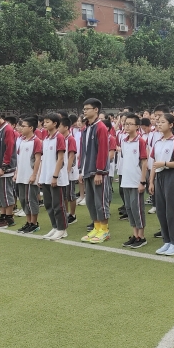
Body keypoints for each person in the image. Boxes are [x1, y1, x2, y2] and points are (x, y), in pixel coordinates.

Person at [149, 113, 174, 256]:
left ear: (171, 125)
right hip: (159, 177)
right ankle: (167, 240)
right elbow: (154, 163)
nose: (159, 124)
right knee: (161, 211)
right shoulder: (158, 142)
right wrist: (151, 181)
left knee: (172, 211)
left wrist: (165, 163)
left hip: (171, 176)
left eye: (162, 122)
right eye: (158, 122)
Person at [79, 98, 112, 244]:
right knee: (90, 202)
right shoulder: (86, 128)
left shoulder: (100, 127)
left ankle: (104, 230)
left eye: (87, 109)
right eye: (84, 109)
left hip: (98, 172)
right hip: (87, 170)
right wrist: (81, 170)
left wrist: (99, 171)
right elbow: (83, 151)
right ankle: (96, 227)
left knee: (100, 202)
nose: (85, 111)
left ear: (96, 110)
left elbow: (103, 151)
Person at [119, 113, 149, 249]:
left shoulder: (140, 141)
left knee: (137, 209)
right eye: (126, 124)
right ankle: (135, 234)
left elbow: (144, 162)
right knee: (129, 208)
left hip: (136, 180)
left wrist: (142, 181)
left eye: (130, 124)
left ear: (137, 126)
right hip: (126, 180)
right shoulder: (124, 141)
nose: (127, 126)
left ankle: (141, 236)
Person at [39, 113, 68, 241]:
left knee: (58, 204)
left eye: (47, 122)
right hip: (45, 176)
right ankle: (55, 226)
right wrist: (41, 176)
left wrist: (55, 176)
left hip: (56, 177)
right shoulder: (46, 138)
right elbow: (44, 159)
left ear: (55, 123)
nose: (44, 124)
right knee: (48, 203)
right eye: (44, 122)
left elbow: (60, 158)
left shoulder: (59, 137)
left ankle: (62, 229)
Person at [14, 116, 42, 234]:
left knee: (31, 200)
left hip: (30, 176)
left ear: (31, 128)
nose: (21, 128)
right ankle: (28, 222)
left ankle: (34, 223)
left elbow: (38, 159)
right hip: (21, 175)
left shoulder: (36, 141)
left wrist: (34, 175)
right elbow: (19, 159)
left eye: (23, 126)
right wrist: (16, 173)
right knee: (23, 200)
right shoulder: (22, 141)